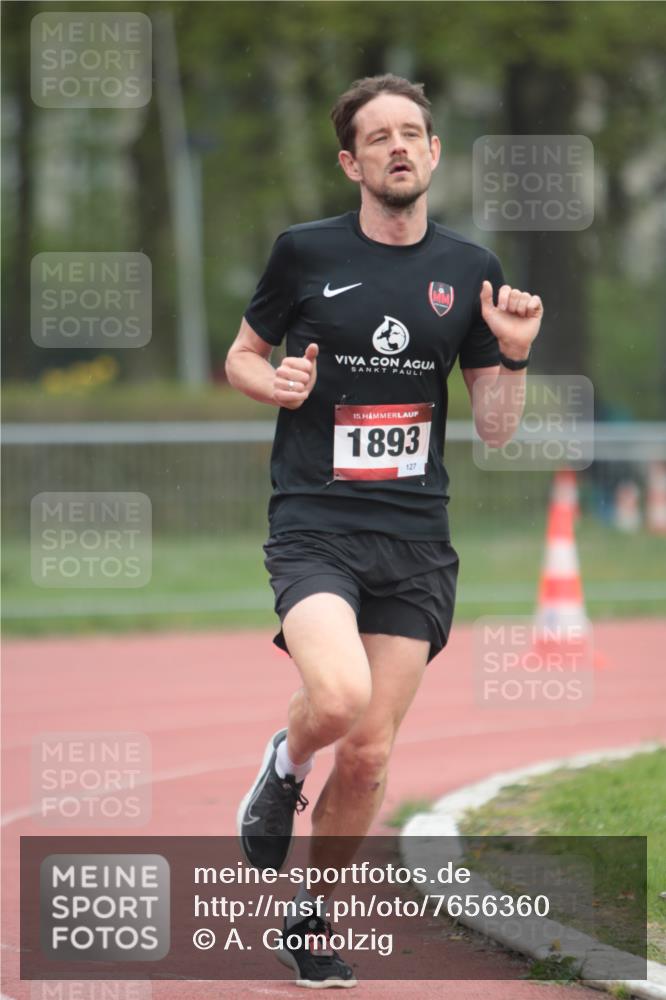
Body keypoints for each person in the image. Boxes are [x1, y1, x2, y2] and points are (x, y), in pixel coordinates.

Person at [225, 73, 543, 989]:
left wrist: (513, 356)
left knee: (367, 754)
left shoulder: (470, 271)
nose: (398, 147)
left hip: (413, 537)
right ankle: (282, 768)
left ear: (434, 154)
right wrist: (272, 383)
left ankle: (309, 917)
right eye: (379, 137)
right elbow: (243, 356)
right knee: (335, 701)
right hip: (316, 522)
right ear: (351, 161)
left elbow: (492, 428)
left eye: (413, 133)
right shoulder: (303, 252)